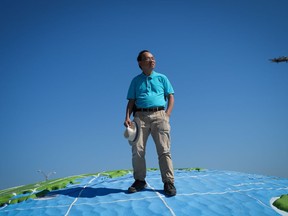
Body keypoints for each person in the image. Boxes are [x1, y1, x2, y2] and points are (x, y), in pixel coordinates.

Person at [124, 50, 176, 196]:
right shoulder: (135, 81)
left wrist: (167, 115)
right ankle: (140, 180)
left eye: (153, 58)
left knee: (164, 150)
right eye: (148, 59)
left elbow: (170, 96)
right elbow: (131, 101)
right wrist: (127, 117)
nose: (152, 60)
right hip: (139, 117)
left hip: (160, 115)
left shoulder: (162, 78)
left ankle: (168, 182)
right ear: (140, 63)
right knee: (137, 150)